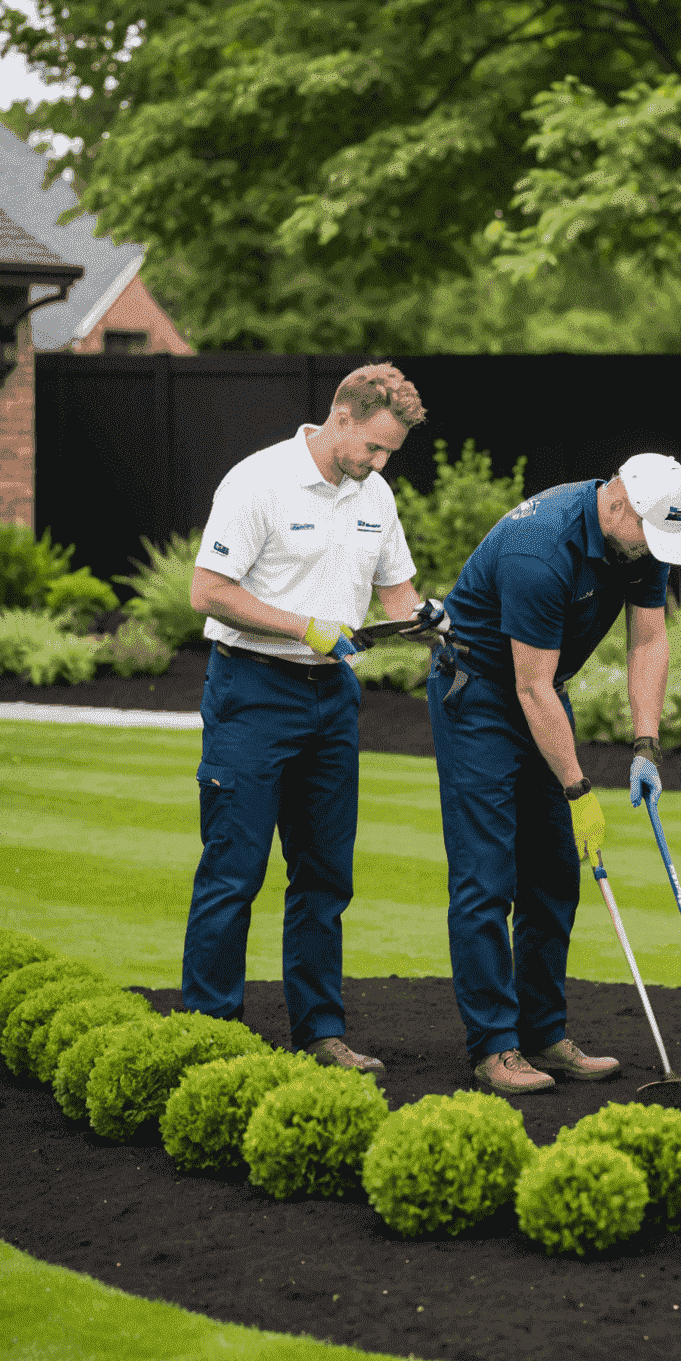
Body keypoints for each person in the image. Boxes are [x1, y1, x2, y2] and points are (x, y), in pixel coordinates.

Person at [181, 362, 431, 1075]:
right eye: (375, 448)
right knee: (234, 869)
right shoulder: (257, 481)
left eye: (390, 455)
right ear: (343, 417)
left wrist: (430, 623)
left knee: (325, 875)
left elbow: (397, 597)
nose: (380, 464)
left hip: (333, 700)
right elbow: (208, 591)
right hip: (251, 691)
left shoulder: (374, 495)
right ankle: (210, 1037)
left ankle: (321, 1033)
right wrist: (304, 627)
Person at [430, 454, 681, 1095]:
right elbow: (529, 685)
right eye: (648, 536)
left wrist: (645, 746)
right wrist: (578, 789)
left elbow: (648, 641)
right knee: (486, 876)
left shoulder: (642, 540)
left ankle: (544, 1035)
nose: (652, 552)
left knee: (554, 875)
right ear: (617, 504)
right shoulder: (539, 548)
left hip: (544, 691)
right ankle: (495, 1047)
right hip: (482, 696)